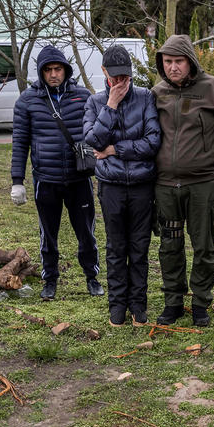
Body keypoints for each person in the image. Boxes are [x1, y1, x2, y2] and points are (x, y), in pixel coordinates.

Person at [151, 34, 214, 327]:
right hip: (166, 186)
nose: (173, 67)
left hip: (204, 184)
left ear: (190, 61)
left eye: (178, 61)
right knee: (169, 245)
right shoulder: (157, 93)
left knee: (203, 246)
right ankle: (173, 301)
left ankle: (201, 302)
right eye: (167, 62)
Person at [10, 46, 103, 301]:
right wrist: (17, 181)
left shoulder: (83, 96)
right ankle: (49, 279)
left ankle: (92, 277)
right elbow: (20, 142)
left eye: (57, 69)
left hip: (79, 178)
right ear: (41, 73)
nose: (53, 75)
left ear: (66, 70)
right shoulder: (28, 101)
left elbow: (98, 131)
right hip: (46, 179)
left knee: (86, 232)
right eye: (48, 70)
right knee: (48, 234)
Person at [82, 45, 161, 326]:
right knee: (116, 248)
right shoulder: (95, 102)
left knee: (139, 247)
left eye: (125, 77)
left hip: (141, 184)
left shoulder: (145, 97)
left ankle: (138, 305)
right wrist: (111, 105)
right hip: (111, 185)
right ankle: (117, 306)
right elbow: (92, 141)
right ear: (104, 73)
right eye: (114, 77)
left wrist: (115, 149)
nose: (120, 83)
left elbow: (152, 142)